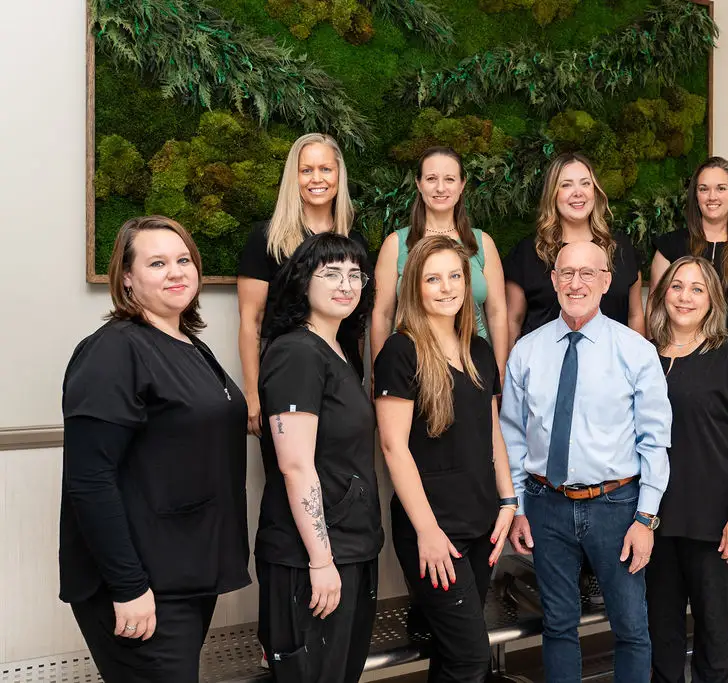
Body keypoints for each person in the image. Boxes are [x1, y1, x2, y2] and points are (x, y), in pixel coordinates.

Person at [59, 216, 250, 682]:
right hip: (140, 585)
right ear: (127, 277)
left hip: (184, 575)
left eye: (184, 260)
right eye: (158, 263)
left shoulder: (189, 344)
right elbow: (88, 480)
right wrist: (129, 586)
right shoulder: (113, 351)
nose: (176, 272)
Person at [501, 240, 671, 683]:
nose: (576, 283)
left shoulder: (635, 351)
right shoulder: (527, 351)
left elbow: (655, 441)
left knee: (631, 628)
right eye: (566, 273)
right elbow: (513, 437)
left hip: (617, 508)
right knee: (557, 626)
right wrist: (518, 508)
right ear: (553, 280)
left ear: (606, 282)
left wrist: (646, 518)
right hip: (545, 504)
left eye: (587, 273)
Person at [374, 236, 517, 683]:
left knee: (453, 654)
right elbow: (393, 447)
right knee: (473, 658)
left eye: (455, 276)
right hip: (434, 530)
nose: (447, 287)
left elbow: (491, 429)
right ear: (414, 286)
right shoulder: (401, 352)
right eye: (433, 278)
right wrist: (428, 532)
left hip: (481, 522)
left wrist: (509, 502)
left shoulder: (477, 350)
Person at [254, 232, 384, 683]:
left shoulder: (338, 350)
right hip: (311, 558)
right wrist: (321, 561)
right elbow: (295, 465)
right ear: (302, 282)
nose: (346, 284)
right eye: (330, 273)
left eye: (355, 274)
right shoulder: (295, 352)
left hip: (350, 546)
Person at [645, 255, 728, 683]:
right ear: (663, 294)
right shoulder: (642, 357)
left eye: (697, 288)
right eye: (677, 286)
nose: (685, 296)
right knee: (661, 636)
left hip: (716, 522)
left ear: (712, 299)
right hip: (654, 520)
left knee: (715, 638)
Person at [238, 132, 369, 437]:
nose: (316, 178)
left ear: (339, 175)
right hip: (287, 377)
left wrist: (358, 379)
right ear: (293, 178)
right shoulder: (267, 239)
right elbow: (250, 320)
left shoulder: (356, 242)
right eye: (306, 170)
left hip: (342, 377)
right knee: (291, 472)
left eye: (325, 169)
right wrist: (252, 393)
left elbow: (358, 321)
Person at [371, 146, 509, 377]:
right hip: (412, 365)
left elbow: (497, 312)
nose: (440, 188)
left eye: (450, 179)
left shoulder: (482, 243)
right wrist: (379, 372)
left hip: (472, 363)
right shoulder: (396, 244)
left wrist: (500, 371)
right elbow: (382, 314)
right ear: (419, 183)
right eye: (431, 179)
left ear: (462, 184)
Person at [504, 151, 645, 344]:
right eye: (566, 185)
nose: (578, 192)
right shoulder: (528, 252)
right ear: (553, 194)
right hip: (545, 368)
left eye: (585, 183)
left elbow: (635, 316)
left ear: (595, 191)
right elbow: (513, 321)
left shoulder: (621, 248)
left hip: (612, 369)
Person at [649, 156, 728, 331]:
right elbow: (654, 306)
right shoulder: (669, 246)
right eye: (704, 189)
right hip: (679, 353)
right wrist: (655, 354)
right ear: (696, 196)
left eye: (721, 188)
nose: (712, 196)